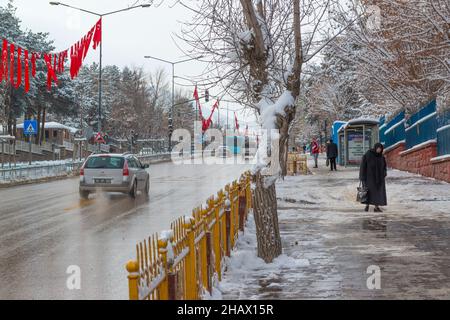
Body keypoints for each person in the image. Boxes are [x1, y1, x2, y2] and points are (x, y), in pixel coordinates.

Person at [359, 142, 387, 212]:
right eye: (378, 148)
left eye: (380, 149)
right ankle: (367, 206)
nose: (379, 150)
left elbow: (384, 166)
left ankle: (376, 207)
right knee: (368, 192)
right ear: (375, 148)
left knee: (378, 193)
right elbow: (363, 166)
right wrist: (362, 176)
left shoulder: (381, 156)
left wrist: (384, 173)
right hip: (369, 178)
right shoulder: (368, 154)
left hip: (379, 178)